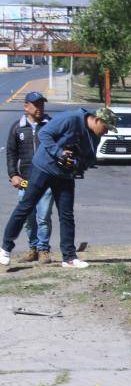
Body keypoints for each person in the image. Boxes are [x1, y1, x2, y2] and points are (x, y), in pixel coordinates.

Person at [0, 107, 118, 268]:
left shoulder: (94, 137)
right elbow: (44, 134)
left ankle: (69, 257)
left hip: (65, 176)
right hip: (43, 168)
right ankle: (6, 248)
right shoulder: (71, 118)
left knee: (66, 215)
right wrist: (60, 153)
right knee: (26, 207)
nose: (107, 132)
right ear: (97, 120)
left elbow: (90, 159)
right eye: (106, 128)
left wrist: (76, 162)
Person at [6, 92, 53, 264]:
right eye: (36, 105)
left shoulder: (51, 125)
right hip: (26, 181)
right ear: (26, 107)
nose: (40, 108)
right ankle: (32, 248)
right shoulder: (17, 127)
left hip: (46, 180)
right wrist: (13, 175)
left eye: (42, 104)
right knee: (29, 217)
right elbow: (11, 153)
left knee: (44, 216)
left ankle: (43, 250)